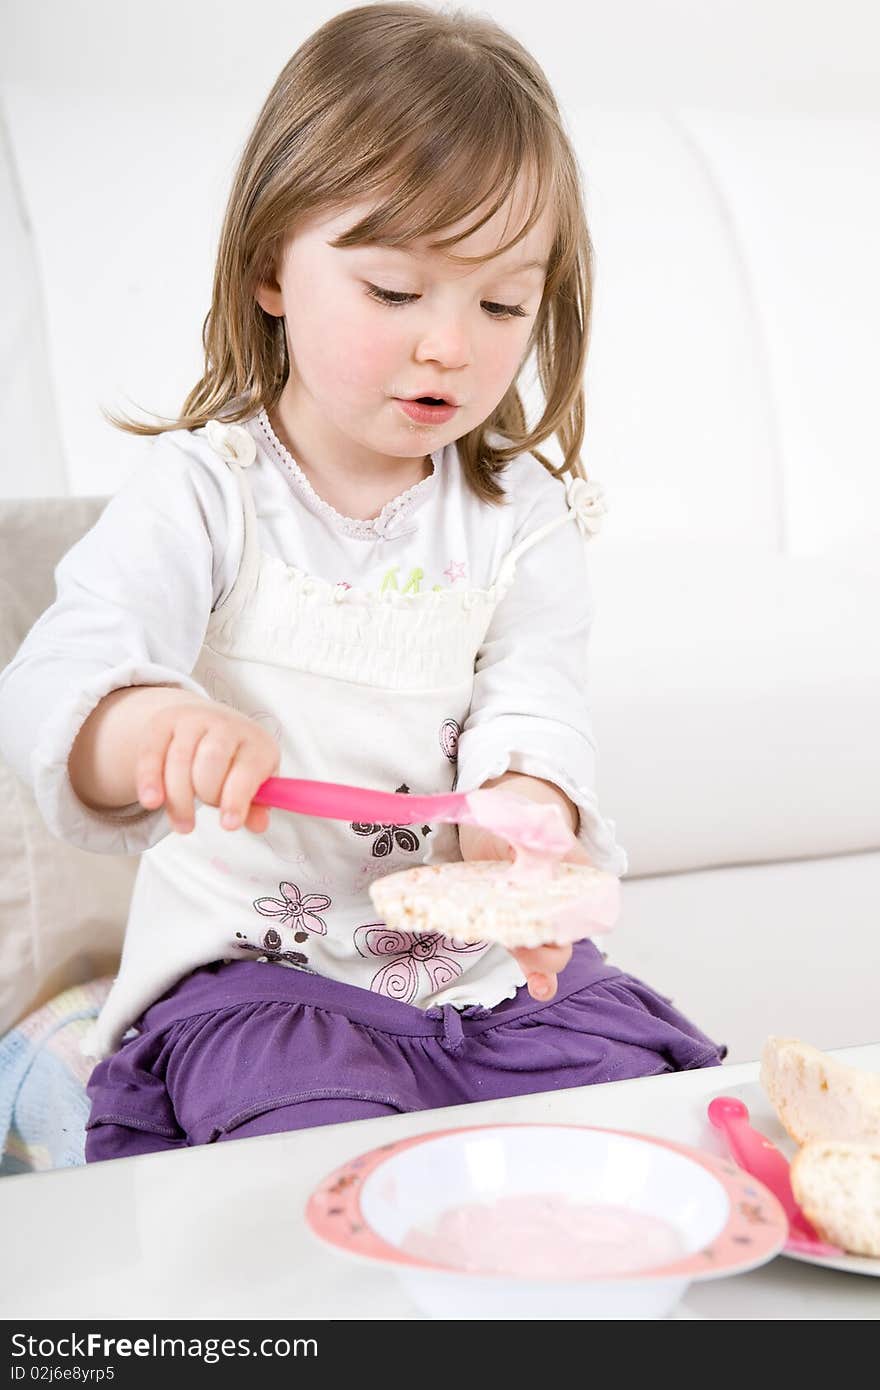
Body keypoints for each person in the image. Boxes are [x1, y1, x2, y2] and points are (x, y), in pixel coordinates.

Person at [0, 3, 726, 1161]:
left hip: (477, 977)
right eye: (397, 293)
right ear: (268, 273)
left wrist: (526, 821)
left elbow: (533, 700)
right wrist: (149, 723)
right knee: (314, 1156)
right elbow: (59, 676)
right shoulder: (204, 491)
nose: (451, 343)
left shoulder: (521, 515)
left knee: (641, 1120)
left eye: (500, 304)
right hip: (257, 976)